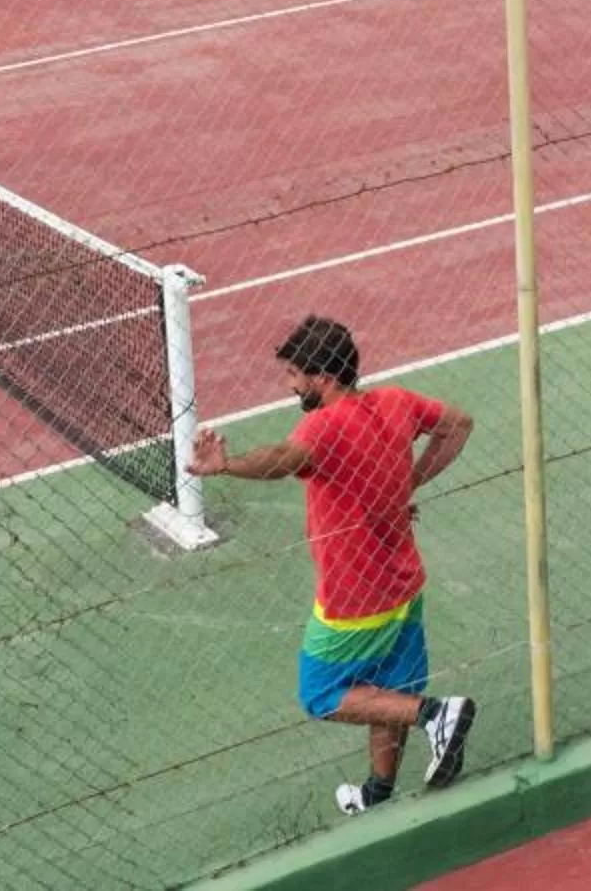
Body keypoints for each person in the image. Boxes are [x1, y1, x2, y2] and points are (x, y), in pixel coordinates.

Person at [189, 316, 478, 816]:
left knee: (322, 694)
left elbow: (283, 457)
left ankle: (438, 715)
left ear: (321, 377)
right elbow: (459, 424)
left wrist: (226, 466)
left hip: (353, 600)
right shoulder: (396, 402)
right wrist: (409, 482)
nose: (291, 384)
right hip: (404, 584)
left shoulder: (323, 426)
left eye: (294, 375)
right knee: (385, 691)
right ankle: (377, 792)